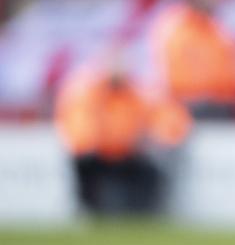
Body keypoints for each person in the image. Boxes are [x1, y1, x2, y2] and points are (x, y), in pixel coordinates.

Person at [55, 55, 191, 217]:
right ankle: (91, 208)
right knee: (83, 164)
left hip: (131, 153)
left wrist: (154, 138)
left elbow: (163, 118)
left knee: (153, 171)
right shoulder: (91, 94)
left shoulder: (139, 94)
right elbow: (81, 126)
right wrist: (93, 143)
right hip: (100, 154)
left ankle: (145, 212)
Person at [150, 0, 235, 119]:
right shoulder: (176, 29)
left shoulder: (220, 30)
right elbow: (166, 70)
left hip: (223, 103)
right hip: (188, 104)